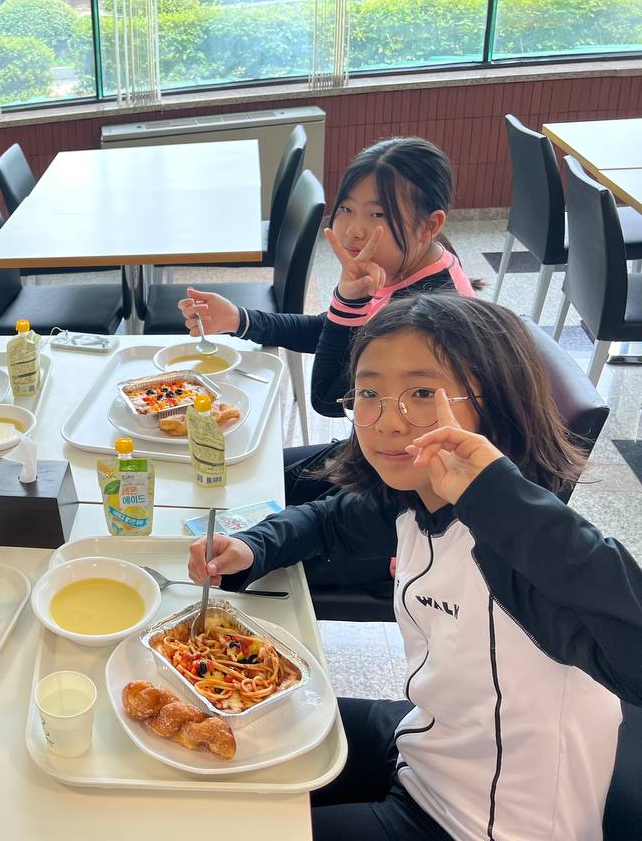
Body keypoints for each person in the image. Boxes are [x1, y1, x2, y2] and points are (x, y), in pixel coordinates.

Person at [185, 295, 642, 841]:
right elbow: (330, 519)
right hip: (427, 737)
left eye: (423, 394)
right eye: (369, 393)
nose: (387, 421)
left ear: (498, 402)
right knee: (213, 718)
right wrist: (253, 547)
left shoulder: (521, 549)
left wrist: (500, 496)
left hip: (478, 821)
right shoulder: (419, 496)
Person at [180, 137, 475, 506]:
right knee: (245, 476)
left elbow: (328, 397)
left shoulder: (426, 313)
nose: (354, 230)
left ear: (429, 225)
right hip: (376, 452)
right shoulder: (411, 266)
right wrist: (240, 320)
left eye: (378, 215)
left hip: (403, 488)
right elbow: (329, 329)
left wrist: (349, 298)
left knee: (249, 491)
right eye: (347, 209)